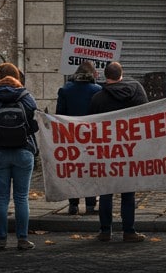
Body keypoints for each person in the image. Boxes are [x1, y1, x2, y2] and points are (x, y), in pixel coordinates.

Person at [0, 62, 39, 251]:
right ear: (17, 77)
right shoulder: (26, 97)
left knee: (2, 197)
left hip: (0, 153)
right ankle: (22, 239)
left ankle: (1, 239)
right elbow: (36, 126)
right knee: (21, 197)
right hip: (23, 152)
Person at [89, 61, 148, 243]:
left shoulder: (98, 98)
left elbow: (91, 126)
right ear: (121, 74)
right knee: (128, 192)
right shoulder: (136, 90)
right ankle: (129, 231)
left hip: (107, 151)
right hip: (130, 149)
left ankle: (105, 231)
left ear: (105, 76)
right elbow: (147, 115)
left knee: (106, 191)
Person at [54, 60, 102, 216]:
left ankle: (73, 204)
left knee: (73, 170)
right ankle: (90, 205)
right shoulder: (97, 90)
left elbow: (59, 114)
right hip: (91, 137)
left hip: (71, 137)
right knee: (90, 170)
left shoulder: (65, 90)